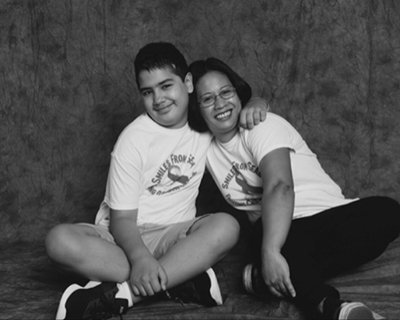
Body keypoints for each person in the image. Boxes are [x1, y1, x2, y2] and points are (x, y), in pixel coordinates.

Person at [45, 42, 269, 320]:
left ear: (188, 82)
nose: (159, 99)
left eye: (166, 86)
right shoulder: (133, 139)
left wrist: (257, 103)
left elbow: (230, 108)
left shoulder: (204, 123)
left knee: (227, 226)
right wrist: (140, 260)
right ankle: (180, 278)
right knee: (59, 241)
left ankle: (128, 293)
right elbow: (122, 220)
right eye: (147, 92)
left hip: (174, 237)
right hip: (120, 240)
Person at [188, 57, 400, 320]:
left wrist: (269, 253)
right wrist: (270, 247)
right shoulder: (202, 146)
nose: (220, 103)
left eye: (226, 92)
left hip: (328, 219)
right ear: (196, 108)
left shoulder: (262, 125)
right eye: (207, 99)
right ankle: (332, 307)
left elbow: (280, 186)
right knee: (265, 231)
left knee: (388, 211)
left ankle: (264, 278)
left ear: (237, 92)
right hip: (281, 231)